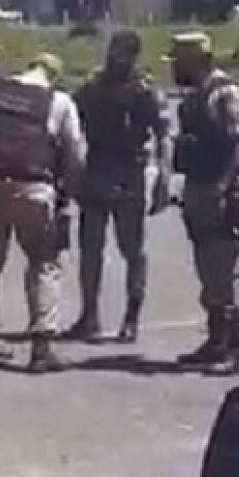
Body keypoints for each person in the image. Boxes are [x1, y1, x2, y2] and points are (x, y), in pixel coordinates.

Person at [0, 52, 86, 373]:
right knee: (43, 264)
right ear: (54, 75)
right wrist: (67, 194)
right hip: (35, 189)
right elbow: (75, 153)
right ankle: (41, 348)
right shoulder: (59, 101)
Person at [63, 29, 170, 344]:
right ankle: (89, 316)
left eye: (123, 51)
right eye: (114, 49)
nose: (115, 56)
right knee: (90, 250)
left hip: (129, 175)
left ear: (134, 55)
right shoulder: (93, 87)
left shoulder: (144, 91)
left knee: (132, 250)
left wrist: (163, 175)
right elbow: (69, 119)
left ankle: (131, 318)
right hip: (95, 172)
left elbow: (163, 133)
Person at [165, 31, 239, 376]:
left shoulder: (226, 95)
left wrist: (222, 186)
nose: (174, 68)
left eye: (178, 61)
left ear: (196, 60)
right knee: (208, 271)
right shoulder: (197, 96)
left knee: (228, 271)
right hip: (201, 187)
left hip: (224, 189)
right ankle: (216, 341)